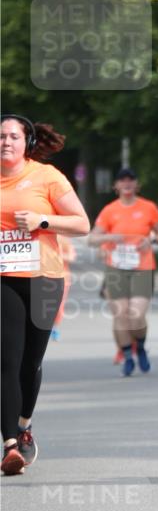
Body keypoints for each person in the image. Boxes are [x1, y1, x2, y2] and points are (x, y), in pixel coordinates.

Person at [1, 114, 90, 476]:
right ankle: (9, 445)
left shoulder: (47, 177)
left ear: (28, 142)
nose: (5, 142)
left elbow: (83, 224)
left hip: (44, 278)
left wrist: (42, 220)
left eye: (12, 137)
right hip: (4, 277)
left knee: (30, 363)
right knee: (6, 360)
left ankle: (24, 425)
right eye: (0, 136)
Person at [88, 169, 158, 377]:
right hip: (116, 268)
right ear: (116, 186)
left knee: (137, 314)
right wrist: (111, 237)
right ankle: (127, 356)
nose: (126, 184)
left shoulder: (148, 208)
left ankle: (140, 347)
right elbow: (92, 239)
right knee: (121, 315)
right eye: (122, 180)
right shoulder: (109, 210)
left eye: (130, 180)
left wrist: (149, 240)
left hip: (142, 266)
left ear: (136, 185)